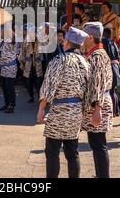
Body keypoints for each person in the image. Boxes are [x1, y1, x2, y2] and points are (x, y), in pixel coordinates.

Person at [37, 27, 90, 178]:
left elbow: (48, 86)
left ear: (66, 42)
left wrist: (41, 109)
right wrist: (83, 111)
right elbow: (89, 90)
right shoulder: (85, 63)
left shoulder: (59, 60)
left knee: (52, 151)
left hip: (59, 110)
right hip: (76, 111)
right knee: (72, 152)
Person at [81, 22, 113, 179]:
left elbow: (98, 84)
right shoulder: (94, 54)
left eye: (84, 36)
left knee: (99, 145)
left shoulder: (98, 55)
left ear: (90, 37)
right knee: (96, 144)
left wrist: (97, 109)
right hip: (96, 103)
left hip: (98, 104)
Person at [0, 28, 21, 114]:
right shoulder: (1, 42)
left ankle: (12, 105)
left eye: (1, 32)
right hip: (2, 67)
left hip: (10, 67)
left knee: (10, 87)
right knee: (4, 87)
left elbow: (14, 39)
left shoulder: (11, 41)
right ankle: (7, 103)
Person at [102, 28, 120, 117]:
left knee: (111, 91)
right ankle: (116, 110)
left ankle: (113, 111)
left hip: (110, 66)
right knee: (114, 90)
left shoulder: (105, 41)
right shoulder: (114, 43)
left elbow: (106, 55)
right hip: (116, 67)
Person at [20, 33, 43, 103]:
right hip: (28, 65)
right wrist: (21, 63)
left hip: (38, 65)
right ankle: (31, 96)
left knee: (39, 83)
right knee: (29, 82)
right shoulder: (25, 41)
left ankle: (40, 97)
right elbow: (22, 51)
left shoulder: (40, 41)